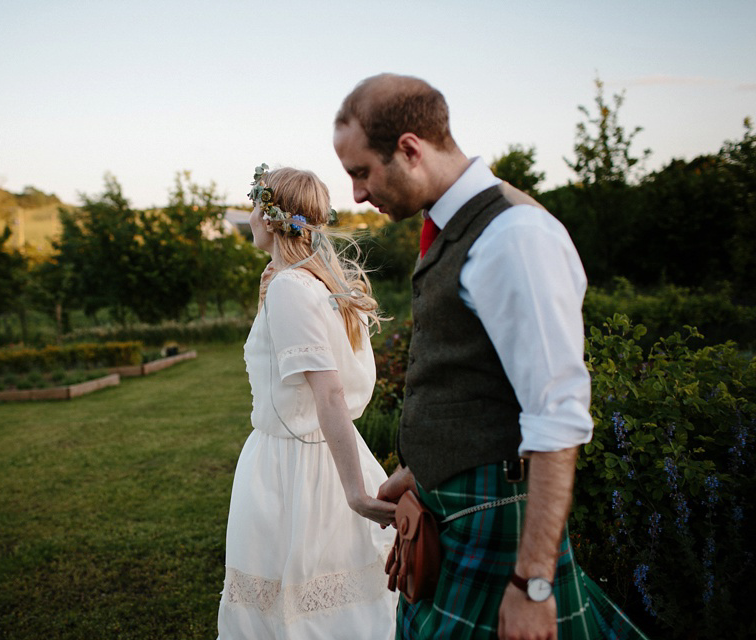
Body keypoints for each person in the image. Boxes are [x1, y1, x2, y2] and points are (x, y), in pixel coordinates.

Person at [333, 74, 648, 640]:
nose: (356, 194)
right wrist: (421, 469)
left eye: (361, 172)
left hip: (497, 520)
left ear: (409, 149)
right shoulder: (455, 226)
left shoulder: (514, 235)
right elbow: (475, 380)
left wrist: (533, 585)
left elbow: (558, 419)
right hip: (451, 513)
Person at [217, 164, 398, 639]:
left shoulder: (292, 288)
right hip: (295, 455)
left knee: (308, 617)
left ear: (271, 216)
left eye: (256, 204)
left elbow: (330, 393)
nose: (251, 215)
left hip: (298, 468)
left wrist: (356, 492)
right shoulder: (300, 282)